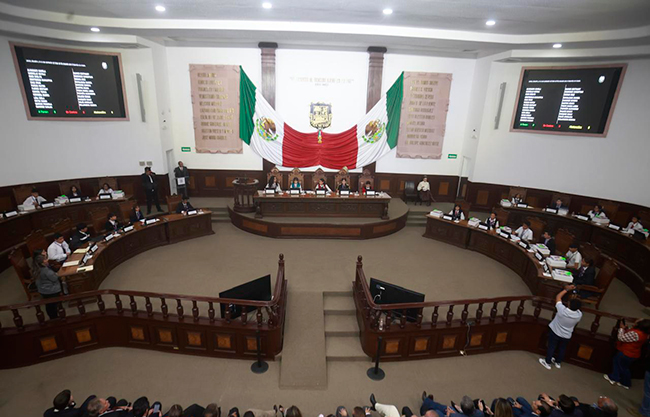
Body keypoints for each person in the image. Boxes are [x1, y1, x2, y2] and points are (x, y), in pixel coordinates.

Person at [539, 286, 582, 370]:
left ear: (569, 304)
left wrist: (566, 289)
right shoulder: (579, 315)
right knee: (562, 348)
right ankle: (558, 362)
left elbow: (558, 297)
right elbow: (576, 306)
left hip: (555, 332)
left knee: (552, 346)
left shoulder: (562, 310)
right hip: (567, 335)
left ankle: (547, 362)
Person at [605, 319, 650, 389]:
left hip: (626, 353)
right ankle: (625, 382)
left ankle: (614, 378)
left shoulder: (635, 333)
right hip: (634, 354)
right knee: (625, 367)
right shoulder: (644, 334)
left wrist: (621, 329)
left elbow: (621, 338)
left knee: (618, 364)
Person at [34, 252, 63, 319]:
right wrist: (57, 274)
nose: (47, 260)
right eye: (45, 259)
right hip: (51, 290)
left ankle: (52, 317)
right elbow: (54, 278)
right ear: (43, 262)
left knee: (49, 305)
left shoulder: (36, 269)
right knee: (53, 305)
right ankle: (55, 318)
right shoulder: (46, 271)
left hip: (42, 290)